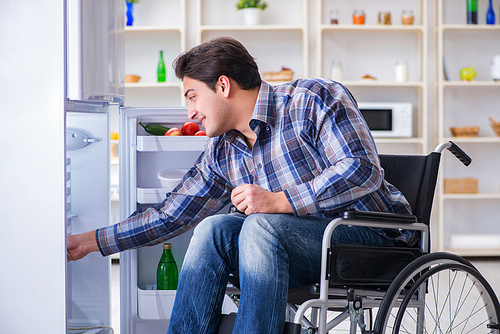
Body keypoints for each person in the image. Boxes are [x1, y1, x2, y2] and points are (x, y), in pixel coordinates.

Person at [67, 36, 415, 334]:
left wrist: (280, 201)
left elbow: (361, 169)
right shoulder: (222, 150)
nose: (190, 113)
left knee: (261, 226)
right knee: (213, 228)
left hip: (372, 242)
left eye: (191, 96)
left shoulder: (311, 99)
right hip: (299, 253)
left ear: (222, 85)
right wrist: (90, 242)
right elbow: (171, 216)